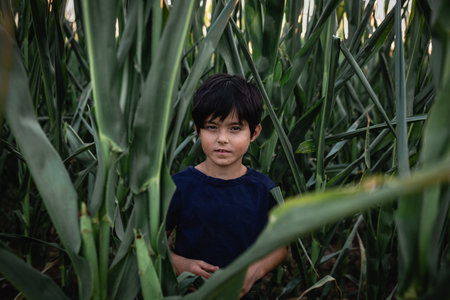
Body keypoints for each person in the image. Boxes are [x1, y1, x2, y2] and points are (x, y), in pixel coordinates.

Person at [166, 73, 287, 298]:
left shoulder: (264, 190)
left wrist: (253, 271)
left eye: (234, 129)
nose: (222, 138)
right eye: (212, 127)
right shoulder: (179, 186)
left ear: (255, 133)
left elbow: (280, 248)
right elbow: (154, 242)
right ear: (197, 129)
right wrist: (179, 264)